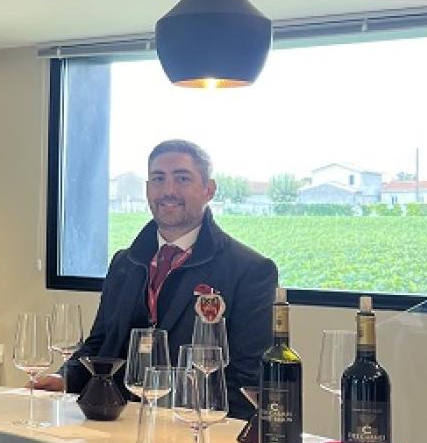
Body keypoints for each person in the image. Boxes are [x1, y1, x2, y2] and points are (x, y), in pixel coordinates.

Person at [38, 139, 276, 419]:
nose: (168, 191)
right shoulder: (124, 263)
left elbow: (248, 377)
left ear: (209, 190)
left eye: (182, 178)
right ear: (147, 189)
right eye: (158, 179)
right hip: (115, 422)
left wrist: (209, 434)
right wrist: (63, 378)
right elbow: (100, 344)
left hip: (194, 428)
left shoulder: (250, 270)